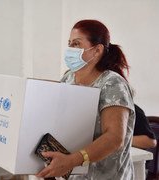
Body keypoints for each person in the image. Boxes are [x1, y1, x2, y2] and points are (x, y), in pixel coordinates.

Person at [36, 19, 135, 179]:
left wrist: (71, 161)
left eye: (76, 44)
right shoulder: (68, 77)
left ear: (97, 50)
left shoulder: (112, 83)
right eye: (69, 44)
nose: (70, 49)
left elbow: (114, 138)